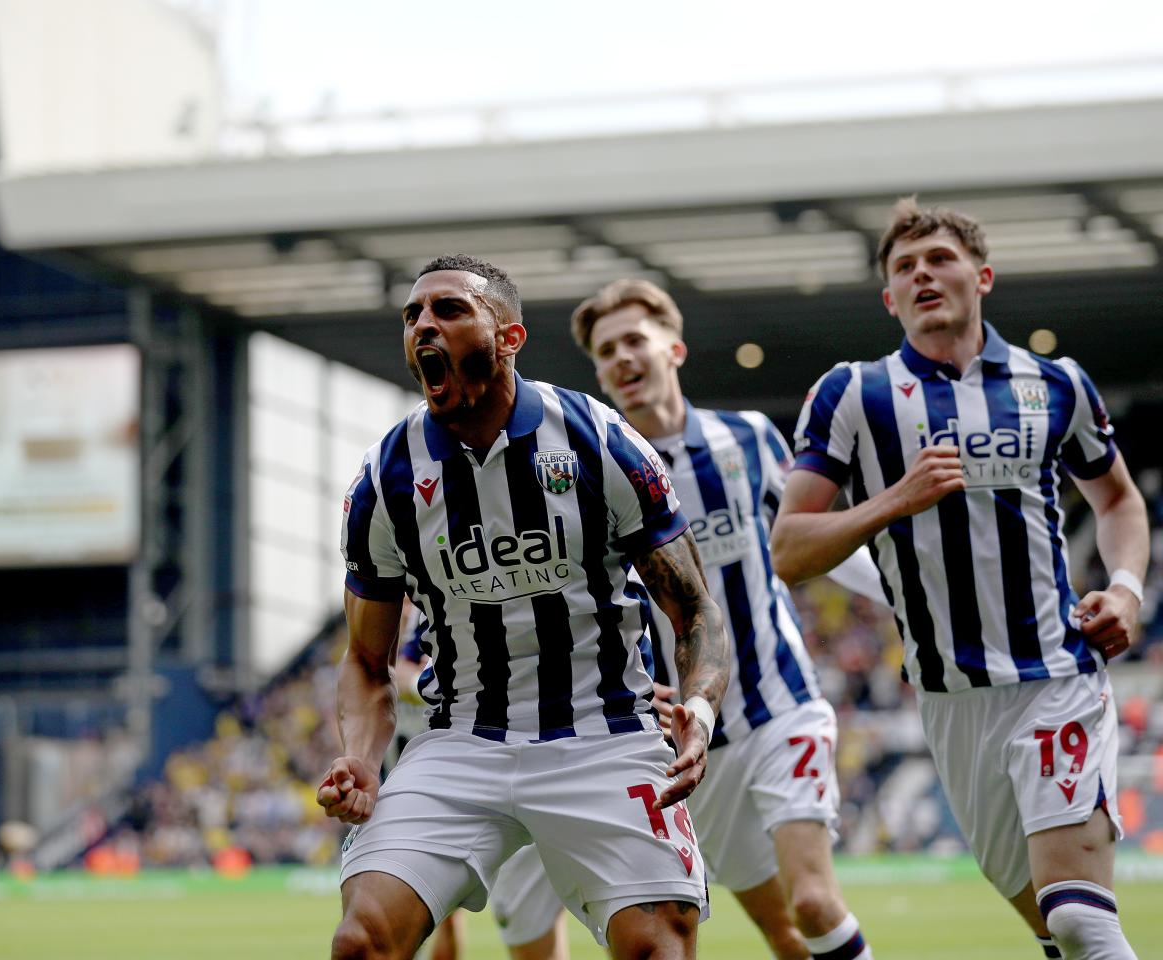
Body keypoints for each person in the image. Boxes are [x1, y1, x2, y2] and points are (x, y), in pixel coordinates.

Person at [318, 254, 729, 960]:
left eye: (449, 309)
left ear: (509, 338)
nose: (423, 325)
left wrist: (701, 706)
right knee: (363, 940)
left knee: (659, 945)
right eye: (413, 314)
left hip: (603, 734)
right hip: (460, 741)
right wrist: (360, 756)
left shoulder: (599, 440)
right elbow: (364, 658)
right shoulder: (387, 478)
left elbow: (693, 608)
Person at [771, 197, 1149, 960]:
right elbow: (789, 548)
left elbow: (1119, 501)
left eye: (940, 259)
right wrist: (894, 500)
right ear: (890, 298)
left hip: (1056, 675)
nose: (922, 274)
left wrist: (1127, 589)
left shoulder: (1055, 383)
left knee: (1078, 918)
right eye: (904, 267)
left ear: (982, 276)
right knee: (1053, 929)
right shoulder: (854, 393)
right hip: (949, 702)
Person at [571, 279, 878, 960]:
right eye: (606, 351)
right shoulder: (596, 479)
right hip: (689, 743)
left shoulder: (747, 438)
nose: (621, 358)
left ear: (673, 350)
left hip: (780, 708)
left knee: (813, 901)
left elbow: (813, 538)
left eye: (634, 340)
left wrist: (904, 604)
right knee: (783, 932)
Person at [396, 613, 568, 960]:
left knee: (633, 912)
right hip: (486, 769)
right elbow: (401, 671)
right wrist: (423, 686)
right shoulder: (434, 612)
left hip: (577, 751)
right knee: (525, 926)